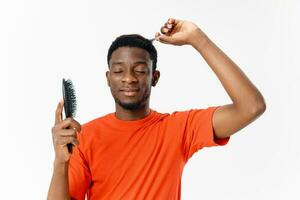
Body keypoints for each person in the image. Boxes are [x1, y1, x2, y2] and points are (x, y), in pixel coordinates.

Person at [47, 18, 266, 200]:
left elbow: (251, 106)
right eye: (119, 70)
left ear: (155, 77)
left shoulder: (179, 129)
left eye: (140, 70)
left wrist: (198, 39)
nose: (129, 78)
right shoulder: (83, 137)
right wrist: (60, 163)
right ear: (108, 78)